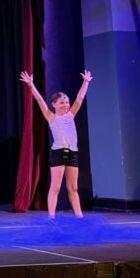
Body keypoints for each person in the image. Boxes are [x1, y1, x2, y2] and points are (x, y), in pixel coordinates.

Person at [20, 69, 92, 219]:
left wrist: (86, 82)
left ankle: (79, 217)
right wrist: (31, 84)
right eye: (62, 102)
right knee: (56, 187)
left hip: (72, 153)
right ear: (54, 104)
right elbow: (40, 100)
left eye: (66, 102)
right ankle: (51, 217)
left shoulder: (71, 115)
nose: (65, 105)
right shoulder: (51, 117)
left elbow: (79, 98)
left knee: (73, 187)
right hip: (58, 153)